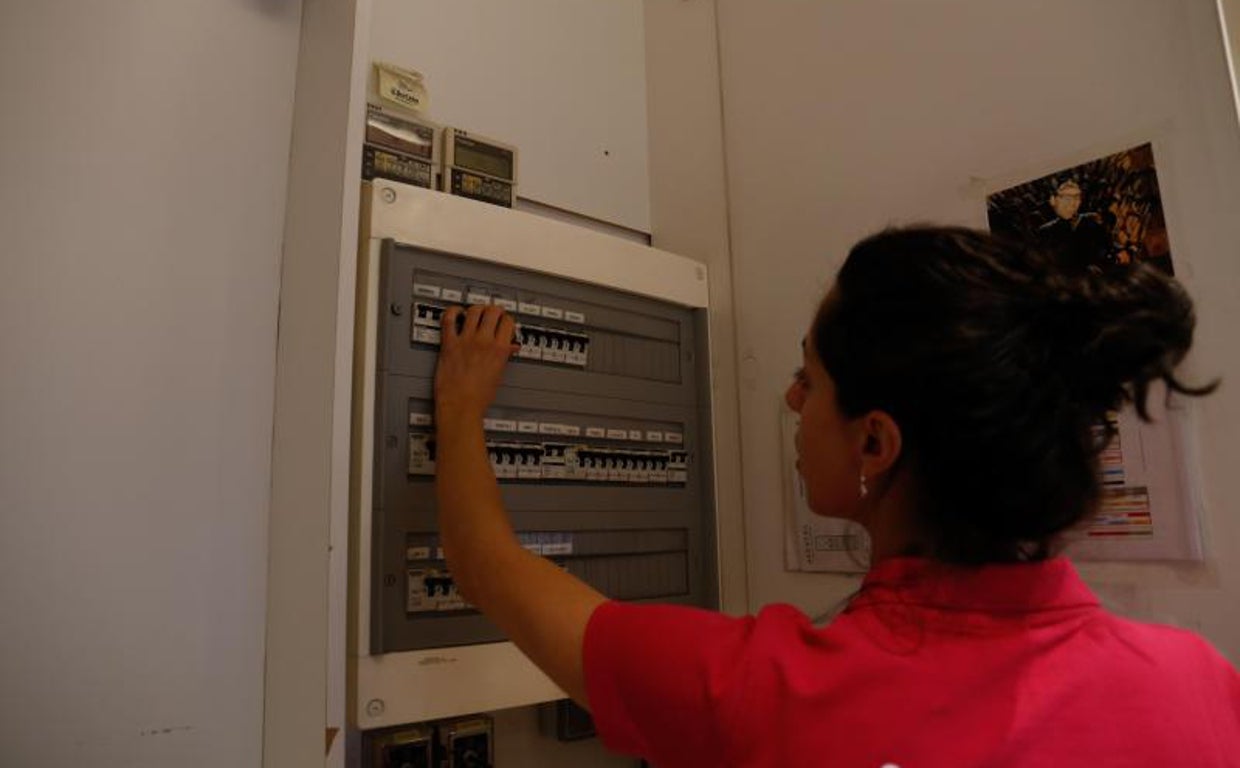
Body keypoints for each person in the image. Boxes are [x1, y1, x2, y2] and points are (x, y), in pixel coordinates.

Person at [432, 227, 1239, 767]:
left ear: (875, 443)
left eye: (809, 378)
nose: (791, 401)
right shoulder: (1204, 683)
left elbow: (486, 565)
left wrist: (462, 405)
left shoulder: (763, 693)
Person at [1037, 179, 1114, 272]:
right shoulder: (1045, 231)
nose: (1072, 203)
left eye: (1076, 198)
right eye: (1066, 198)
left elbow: (1104, 246)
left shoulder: (1091, 223)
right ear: (1054, 200)